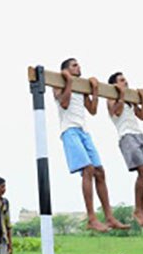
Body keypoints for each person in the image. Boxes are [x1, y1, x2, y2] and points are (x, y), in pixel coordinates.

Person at [55, 58, 129, 232]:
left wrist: (94, 90)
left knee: (100, 171)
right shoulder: (59, 82)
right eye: (74, 65)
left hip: (83, 131)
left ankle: (109, 217)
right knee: (87, 169)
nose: (79, 66)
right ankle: (91, 218)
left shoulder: (81, 85)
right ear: (66, 69)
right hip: (69, 130)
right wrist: (69, 82)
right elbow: (64, 103)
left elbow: (93, 110)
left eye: (79, 64)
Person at [107, 72, 143, 229]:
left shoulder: (129, 99)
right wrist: (120, 95)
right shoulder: (111, 98)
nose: (125, 81)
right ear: (114, 84)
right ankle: (138, 210)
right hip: (126, 136)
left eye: (125, 79)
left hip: (138, 134)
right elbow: (117, 112)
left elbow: (142, 116)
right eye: (121, 80)